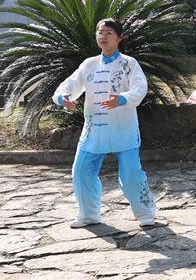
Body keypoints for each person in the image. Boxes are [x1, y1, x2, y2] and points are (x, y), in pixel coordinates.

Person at [53, 18, 157, 228]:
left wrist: (122, 99)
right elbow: (71, 83)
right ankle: (88, 214)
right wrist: (63, 97)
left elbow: (140, 87)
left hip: (123, 129)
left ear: (120, 38)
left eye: (109, 33)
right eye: (100, 32)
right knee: (81, 171)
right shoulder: (89, 64)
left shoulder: (129, 64)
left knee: (131, 173)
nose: (103, 36)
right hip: (94, 130)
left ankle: (145, 213)